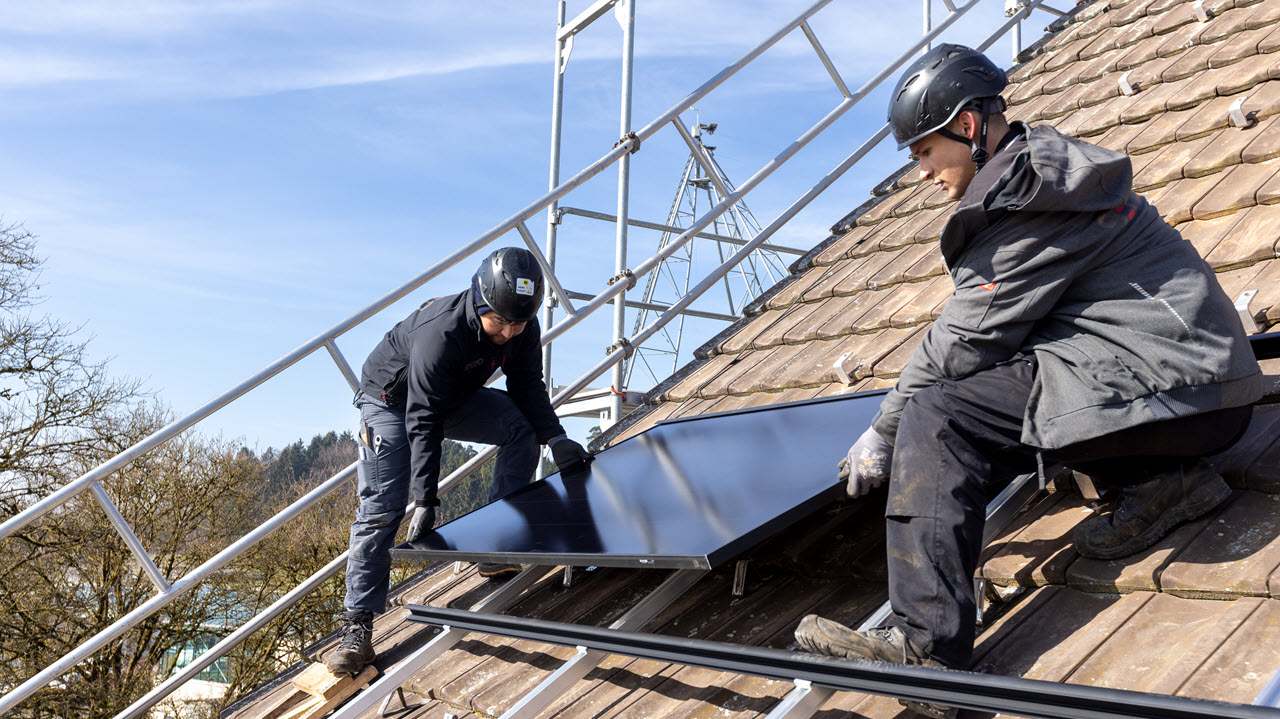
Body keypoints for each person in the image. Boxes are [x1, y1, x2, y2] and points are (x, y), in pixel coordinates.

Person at [793, 44, 1261, 718]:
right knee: (995, 388)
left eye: (923, 151)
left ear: (969, 126)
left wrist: (882, 428)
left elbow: (960, 342)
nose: (919, 172)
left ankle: (931, 656)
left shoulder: (1029, 198)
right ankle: (1166, 484)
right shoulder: (1034, 175)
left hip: (1186, 388)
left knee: (939, 414)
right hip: (1188, 382)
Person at [325, 247, 593, 675]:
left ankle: (494, 544)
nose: (508, 333)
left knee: (520, 427)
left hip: (453, 394)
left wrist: (556, 438)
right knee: (383, 508)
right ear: (481, 301)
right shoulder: (442, 333)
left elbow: (527, 384)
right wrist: (425, 497)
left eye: (518, 323)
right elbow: (423, 417)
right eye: (500, 322)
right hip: (391, 402)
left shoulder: (521, 324)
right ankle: (357, 626)